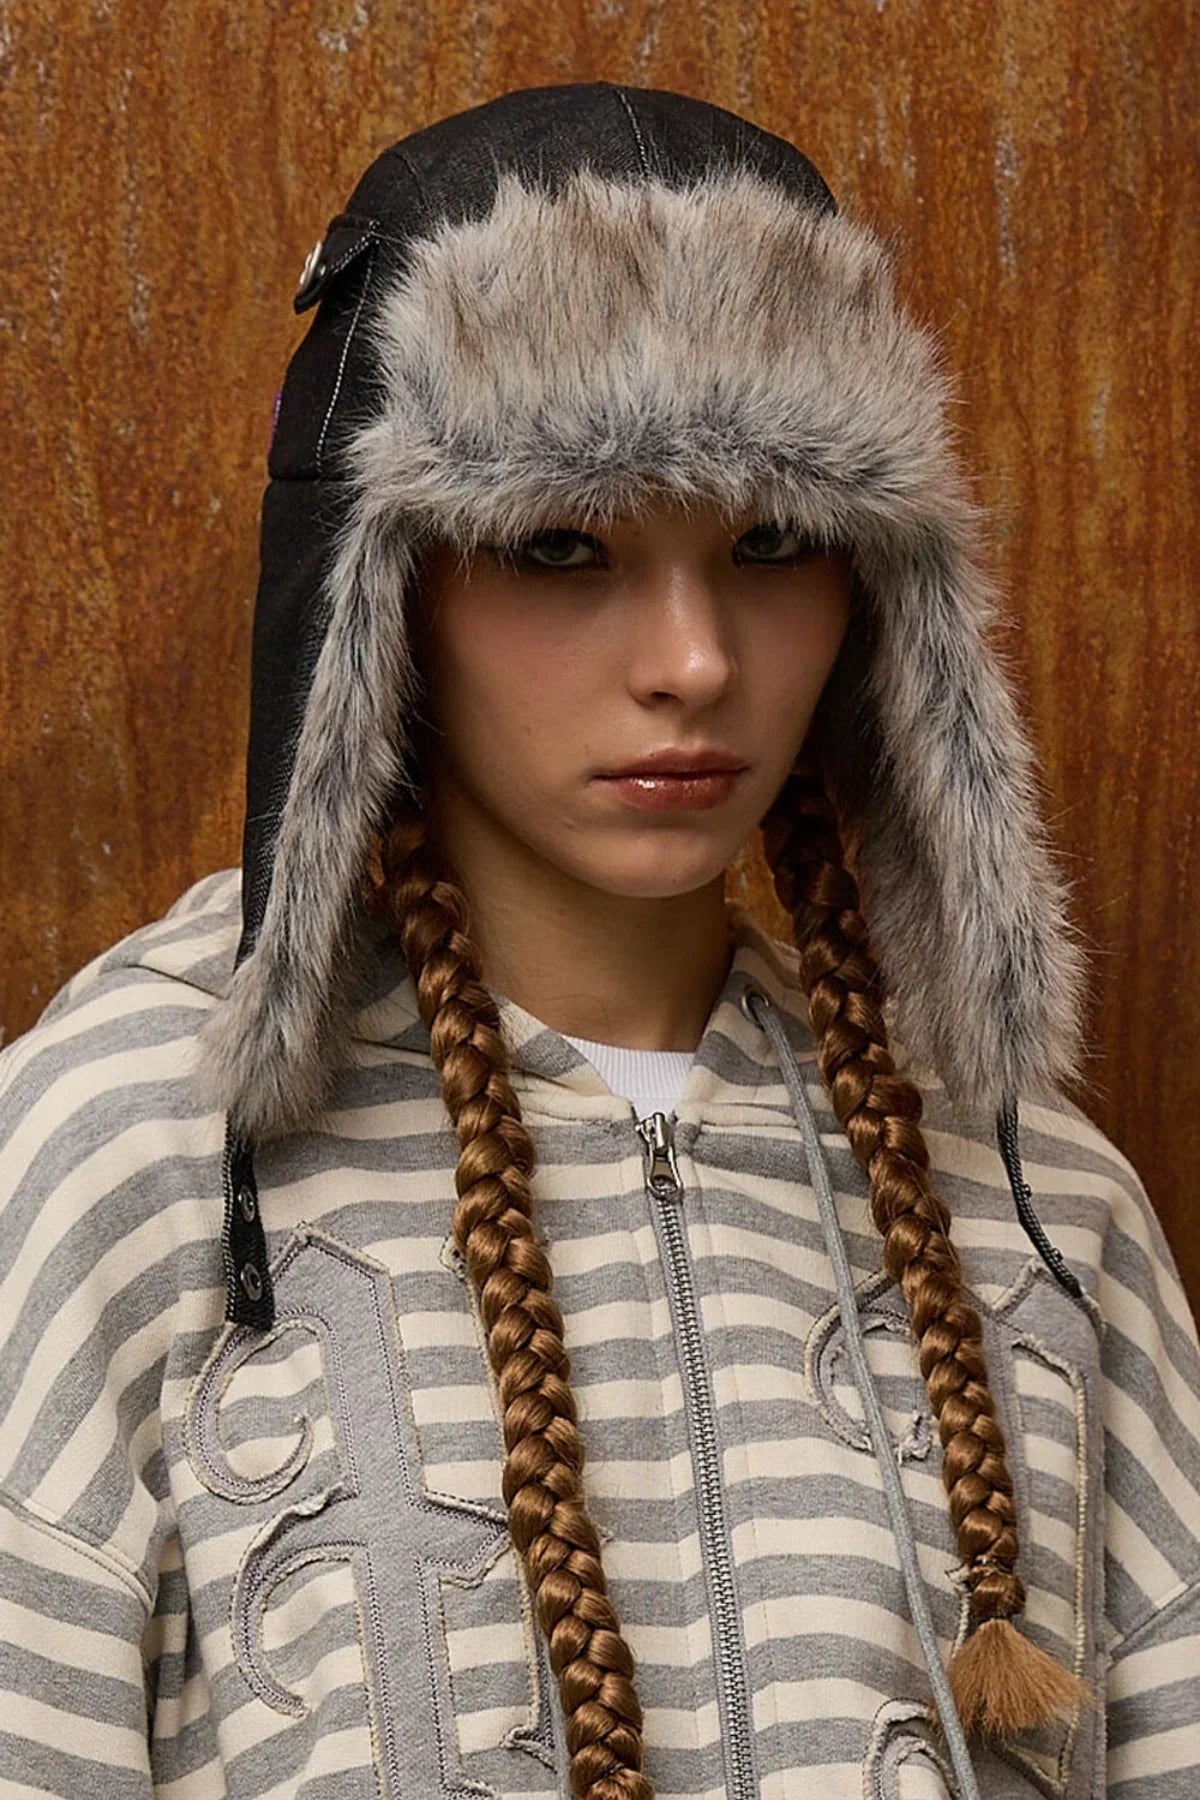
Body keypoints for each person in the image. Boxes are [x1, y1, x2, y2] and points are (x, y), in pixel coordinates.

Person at [1, 80, 1197, 1800]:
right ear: (375, 590)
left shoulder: (1031, 1205)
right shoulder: (124, 1152)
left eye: (772, 542)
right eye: (561, 546)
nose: (695, 660)